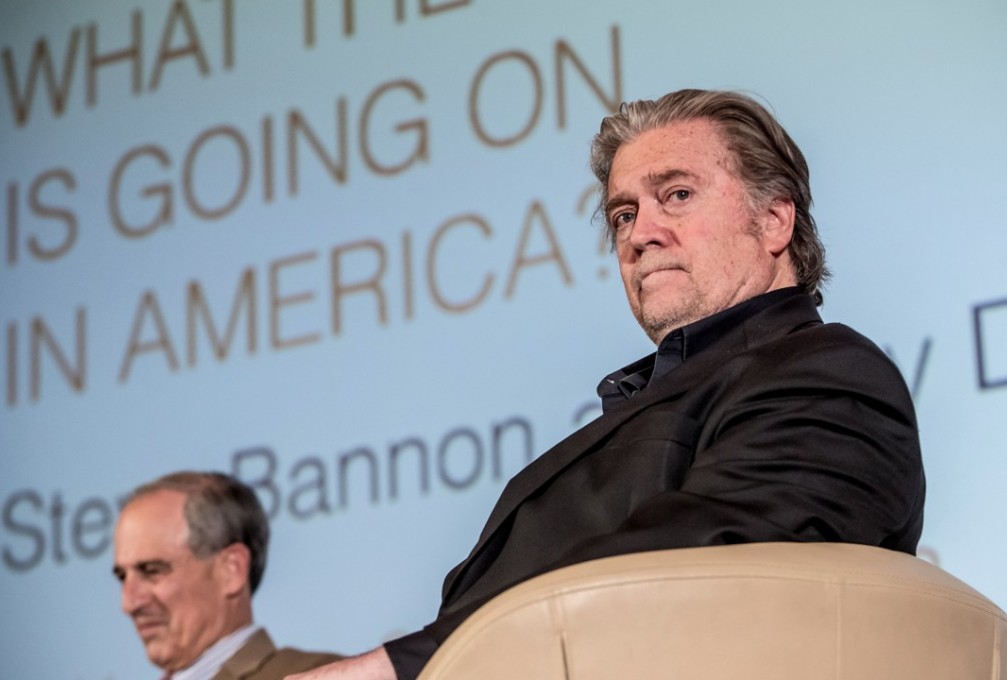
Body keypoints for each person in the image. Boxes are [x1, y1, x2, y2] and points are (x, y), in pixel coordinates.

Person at [285, 88, 926, 680]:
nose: (640, 234)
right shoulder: (653, 400)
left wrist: (403, 665)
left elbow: (709, 558)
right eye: (623, 213)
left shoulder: (825, 372)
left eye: (676, 194)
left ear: (774, 222)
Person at [113, 471, 343, 679]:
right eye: (122, 577)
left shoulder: (316, 674)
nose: (129, 603)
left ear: (231, 570)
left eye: (152, 571)